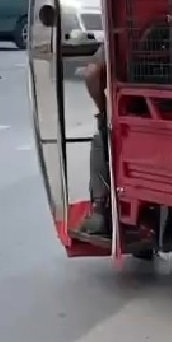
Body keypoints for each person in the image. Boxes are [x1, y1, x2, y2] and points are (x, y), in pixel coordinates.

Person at [78, 43, 111, 236]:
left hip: (141, 107)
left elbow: (91, 74)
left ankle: (99, 209)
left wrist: (102, 107)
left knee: (100, 143)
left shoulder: (123, 32)